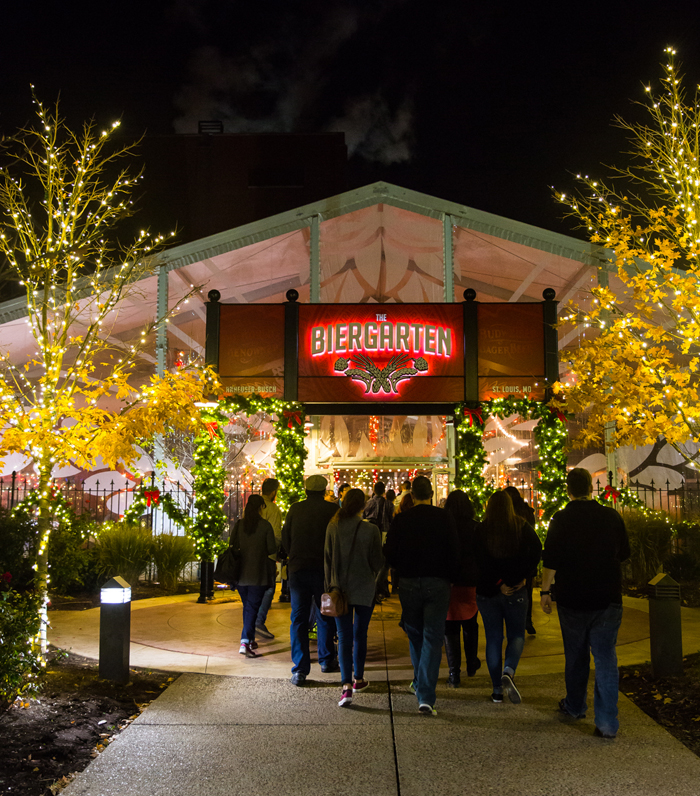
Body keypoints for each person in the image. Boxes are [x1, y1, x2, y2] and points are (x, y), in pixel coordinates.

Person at [541, 468, 630, 739]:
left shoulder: (561, 519)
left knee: (576, 655)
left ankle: (575, 705)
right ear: (591, 488)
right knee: (605, 658)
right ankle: (606, 722)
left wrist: (545, 591)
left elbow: (551, 559)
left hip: (573, 598)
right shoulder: (611, 516)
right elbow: (624, 553)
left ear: (568, 489)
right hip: (607, 597)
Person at [385, 475, 459, 716]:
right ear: (431, 494)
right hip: (437, 582)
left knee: (415, 633)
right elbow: (453, 551)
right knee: (432, 637)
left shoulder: (402, 520)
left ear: (412, 495)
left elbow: (390, 552)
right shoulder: (444, 517)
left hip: (408, 582)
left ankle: (420, 684)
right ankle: (425, 695)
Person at [474, 490, 541, 704]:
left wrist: (498, 583)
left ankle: (496, 690)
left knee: (493, 638)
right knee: (516, 635)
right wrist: (524, 576)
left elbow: (479, 560)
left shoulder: (482, 529)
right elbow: (537, 549)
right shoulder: (521, 526)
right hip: (516, 589)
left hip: (488, 592)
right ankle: (509, 670)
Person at [324, 488, 384, 707]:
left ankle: (346, 686)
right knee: (360, 634)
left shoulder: (333, 526)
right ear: (363, 506)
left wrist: (330, 585)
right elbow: (378, 562)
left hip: (340, 589)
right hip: (364, 588)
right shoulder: (371, 530)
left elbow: (328, 560)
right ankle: (358, 678)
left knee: (343, 635)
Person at [282, 474, 340, 685]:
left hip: (298, 568)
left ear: (306, 490)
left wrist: (293, 556)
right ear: (324, 491)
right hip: (323, 569)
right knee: (325, 613)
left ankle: (300, 669)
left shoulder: (295, 509)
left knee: (298, 617)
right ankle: (326, 659)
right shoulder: (332, 510)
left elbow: (286, 537)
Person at [443, 489, 481, 687]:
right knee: (470, 623)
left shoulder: (444, 527)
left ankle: (453, 673)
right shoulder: (476, 528)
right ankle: (472, 663)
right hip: (470, 582)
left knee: (450, 628)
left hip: (449, 582)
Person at [234, 494, 278, 658]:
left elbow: (233, 545)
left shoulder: (239, 525)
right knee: (252, 608)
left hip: (240, 575)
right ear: (261, 507)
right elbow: (272, 549)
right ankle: (245, 641)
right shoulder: (265, 526)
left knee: (248, 607)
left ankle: (250, 638)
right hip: (258, 574)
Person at [504, 485, 539, 635]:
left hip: (509, 557)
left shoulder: (506, 514)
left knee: (508, 590)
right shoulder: (526, 512)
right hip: (526, 558)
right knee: (527, 591)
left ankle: (513, 621)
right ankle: (527, 619)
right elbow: (535, 541)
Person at [255, 478, 283, 639]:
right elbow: (276, 536)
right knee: (269, 587)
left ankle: (251, 623)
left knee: (253, 588)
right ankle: (259, 620)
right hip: (267, 555)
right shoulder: (273, 509)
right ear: (274, 491)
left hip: (251, 555)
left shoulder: (253, 507)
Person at [363, 481, 392, 600]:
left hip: (369, 533)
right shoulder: (389, 504)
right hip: (385, 534)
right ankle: (379, 586)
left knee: (371, 558)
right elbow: (391, 520)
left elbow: (363, 517)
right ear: (384, 491)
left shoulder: (368, 503)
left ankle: (374, 586)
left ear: (374, 490)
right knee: (384, 561)